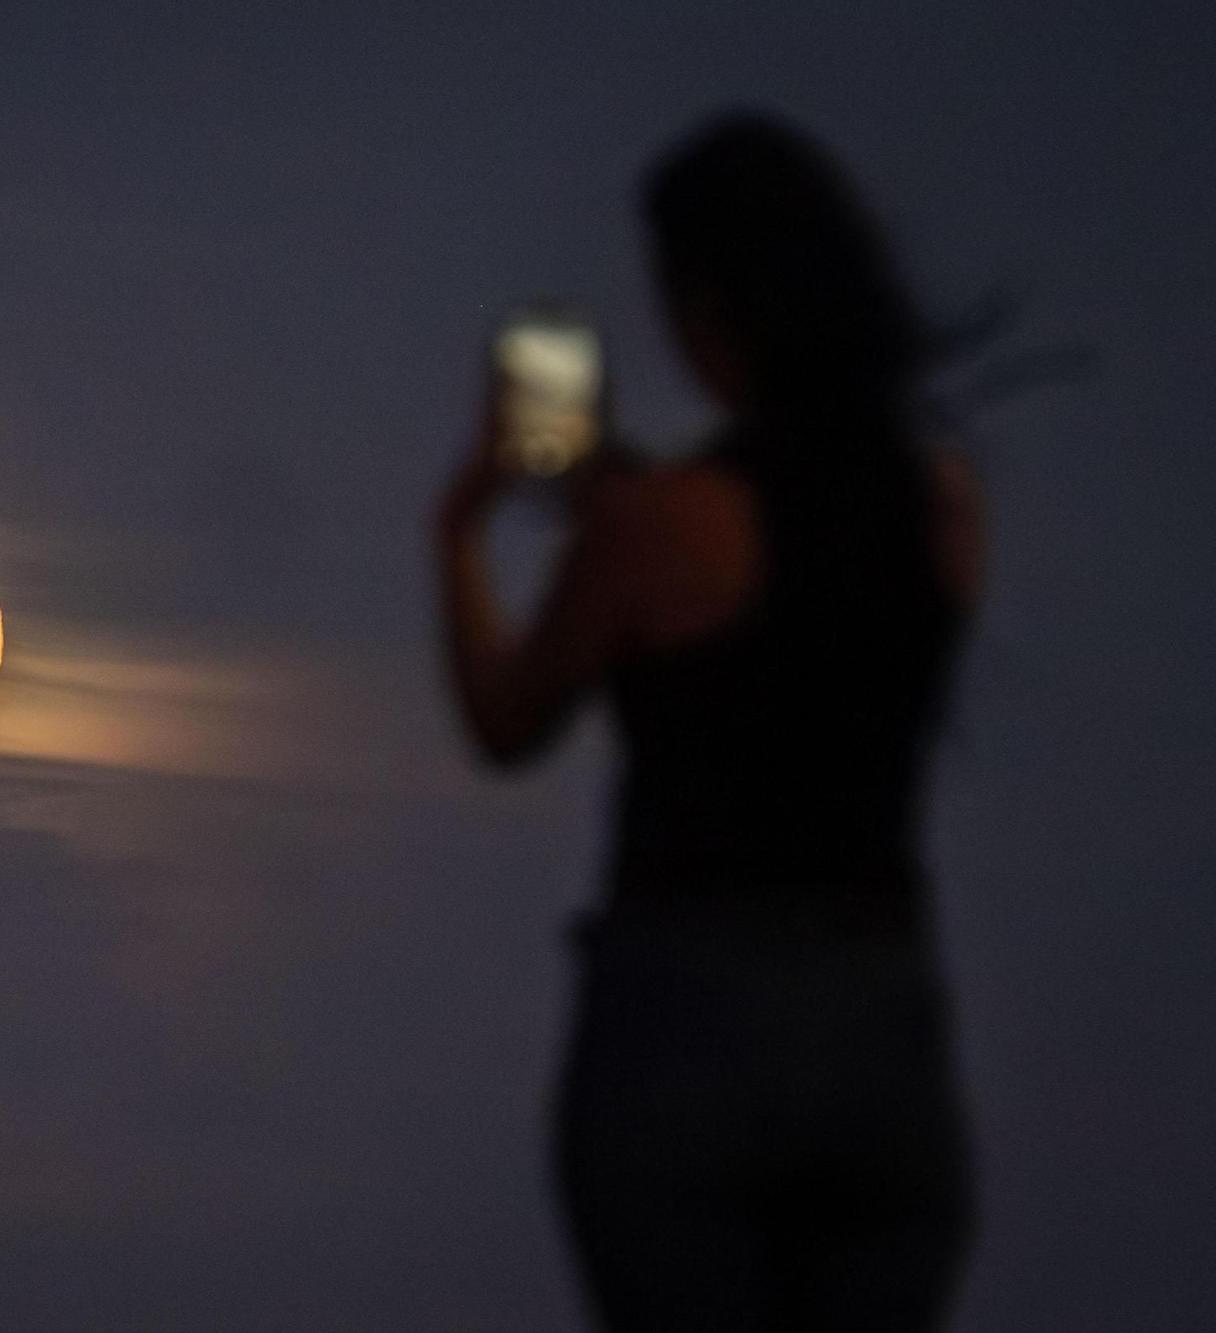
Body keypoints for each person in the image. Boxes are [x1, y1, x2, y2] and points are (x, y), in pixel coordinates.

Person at [434, 112, 984, 1332]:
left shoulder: (660, 525)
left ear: (704, 305)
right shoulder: (944, 508)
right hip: (884, 1023)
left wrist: (458, 531)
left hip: (687, 1020)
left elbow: (506, 718)